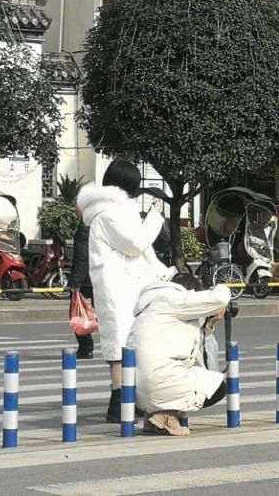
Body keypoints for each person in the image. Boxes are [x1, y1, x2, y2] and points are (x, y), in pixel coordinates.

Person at [77, 159, 175, 423]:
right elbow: (136, 243)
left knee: (131, 342)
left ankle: (129, 398)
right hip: (117, 288)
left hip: (128, 286)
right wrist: (154, 217)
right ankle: (118, 401)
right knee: (120, 343)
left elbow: (141, 249)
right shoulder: (108, 215)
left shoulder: (118, 212)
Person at [126, 274, 231, 436]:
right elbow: (220, 298)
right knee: (219, 388)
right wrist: (222, 287)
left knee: (198, 378)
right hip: (159, 384)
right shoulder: (175, 299)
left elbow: (195, 354)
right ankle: (166, 416)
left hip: (135, 392)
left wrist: (208, 325)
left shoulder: (152, 306)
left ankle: (153, 417)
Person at [69, 211, 94, 359]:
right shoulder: (98, 223)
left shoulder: (85, 227)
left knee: (78, 314)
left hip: (86, 280)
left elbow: (82, 256)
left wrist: (76, 281)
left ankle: (85, 348)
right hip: (97, 276)